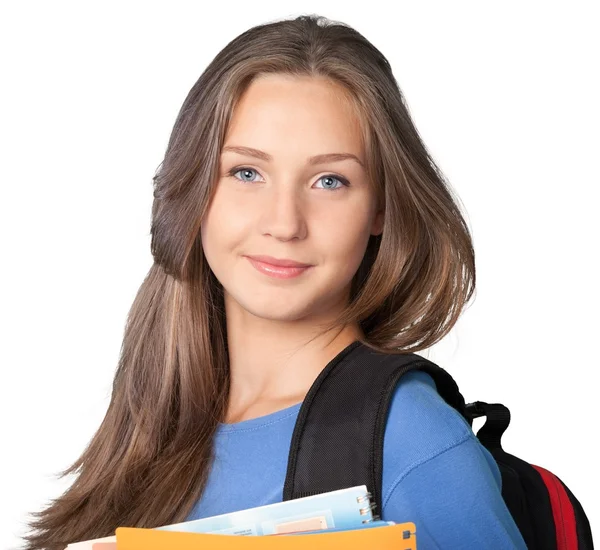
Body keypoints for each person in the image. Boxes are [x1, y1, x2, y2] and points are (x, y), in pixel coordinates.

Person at [23, 13, 527, 550]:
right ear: (194, 187)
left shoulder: (412, 442)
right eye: (246, 173)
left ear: (380, 208)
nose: (285, 223)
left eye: (330, 180)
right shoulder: (151, 417)